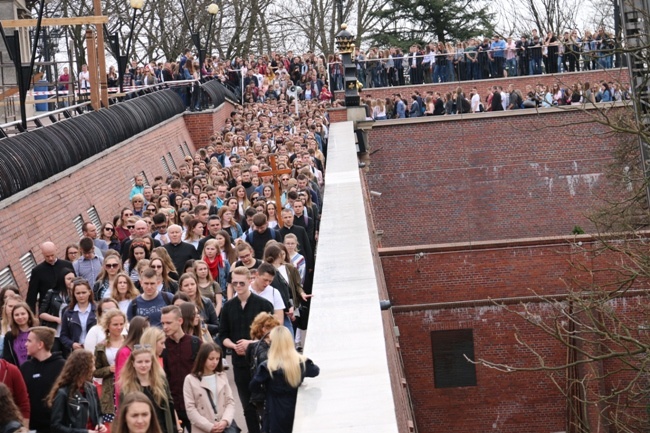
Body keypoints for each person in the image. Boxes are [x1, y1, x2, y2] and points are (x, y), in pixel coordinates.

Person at [219, 267, 273, 433]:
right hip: (240, 362)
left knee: (265, 403)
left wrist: (251, 343)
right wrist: (234, 346)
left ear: (250, 280)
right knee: (247, 405)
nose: (238, 286)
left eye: (241, 283)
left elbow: (271, 335)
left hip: (261, 361)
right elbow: (223, 335)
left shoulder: (264, 304)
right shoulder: (228, 307)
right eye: (234, 283)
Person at [250, 326, 319, 433]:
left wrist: (265, 391)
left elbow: (253, 386)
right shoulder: (301, 363)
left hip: (274, 413)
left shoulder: (267, 367)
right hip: (295, 411)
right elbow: (315, 371)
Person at [160, 305, 202, 433]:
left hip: (194, 405)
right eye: (162, 323)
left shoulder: (195, 343)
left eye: (168, 323)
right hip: (171, 405)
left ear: (180, 321)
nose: (165, 327)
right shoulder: (162, 346)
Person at [118, 347, 178, 433]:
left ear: (152, 362)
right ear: (133, 363)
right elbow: (123, 415)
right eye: (139, 362)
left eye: (147, 361)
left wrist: (177, 428)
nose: (143, 365)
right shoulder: (127, 388)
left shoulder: (161, 382)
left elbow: (170, 406)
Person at [183, 343, 237, 433]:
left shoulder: (222, 376)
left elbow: (230, 402)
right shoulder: (190, 379)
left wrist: (225, 421)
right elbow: (190, 409)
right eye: (211, 359)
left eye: (217, 359)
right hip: (202, 428)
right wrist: (209, 426)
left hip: (223, 427)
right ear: (202, 358)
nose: (215, 362)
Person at [47, 350, 106, 433]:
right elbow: (56, 426)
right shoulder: (63, 393)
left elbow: (99, 414)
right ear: (83, 368)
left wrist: (100, 424)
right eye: (92, 365)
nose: (94, 369)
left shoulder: (92, 389)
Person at [20, 326, 66, 433]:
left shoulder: (62, 366)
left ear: (40, 344)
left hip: (57, 428)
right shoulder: (25, 367)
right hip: (31, 427)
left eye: (29, 341)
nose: (25, 344)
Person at [94, 309, 127, 425]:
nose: (119, 327)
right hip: (109, 390)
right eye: (115, 324)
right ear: (108, 325)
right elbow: (95, 371)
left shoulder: (129, 342)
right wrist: (109, 369)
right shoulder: (100, 346)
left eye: (121, 324)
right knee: (111, 425)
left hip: (128, 386)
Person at [245, 312, 281, 415]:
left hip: (260, 393)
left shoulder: (253, 347)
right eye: (274, 328)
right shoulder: (263, 348)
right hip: (267, 392)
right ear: (264, 329)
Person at [27, 242, 73, 313]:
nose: (50, 258)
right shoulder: (37, 271)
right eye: (47, 256)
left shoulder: (67, 265)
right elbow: (31, 296)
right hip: (49, 310)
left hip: (69, 304)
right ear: (42, 254)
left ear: (56, 250)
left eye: (52, 255)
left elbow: (76, 284)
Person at [60, 278, 97, 353]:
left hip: (95, 350)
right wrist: (72, 344)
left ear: (89, 292)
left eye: (84, 292)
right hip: (76, 352)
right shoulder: (68, 312)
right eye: (78, 293)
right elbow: (63, 336)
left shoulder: (97, 310)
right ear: (74, 294)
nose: (81, 295)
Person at [177, 273, 219, 338]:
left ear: (197, 285)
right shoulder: (178, 303)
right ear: (181, 288)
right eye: (186, 285)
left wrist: (203, 326)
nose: (190, 287)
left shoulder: (206, 302)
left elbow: (217, 327)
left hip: (205, 339)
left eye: (192, 284)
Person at [3, 302, 38, 366]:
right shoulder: (9, 336)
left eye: (23, 314)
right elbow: (7, 358)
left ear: (28, 314)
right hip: (16, 372)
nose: (20, 317)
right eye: (16, 315)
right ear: (13, 317)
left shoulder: (37, 332)